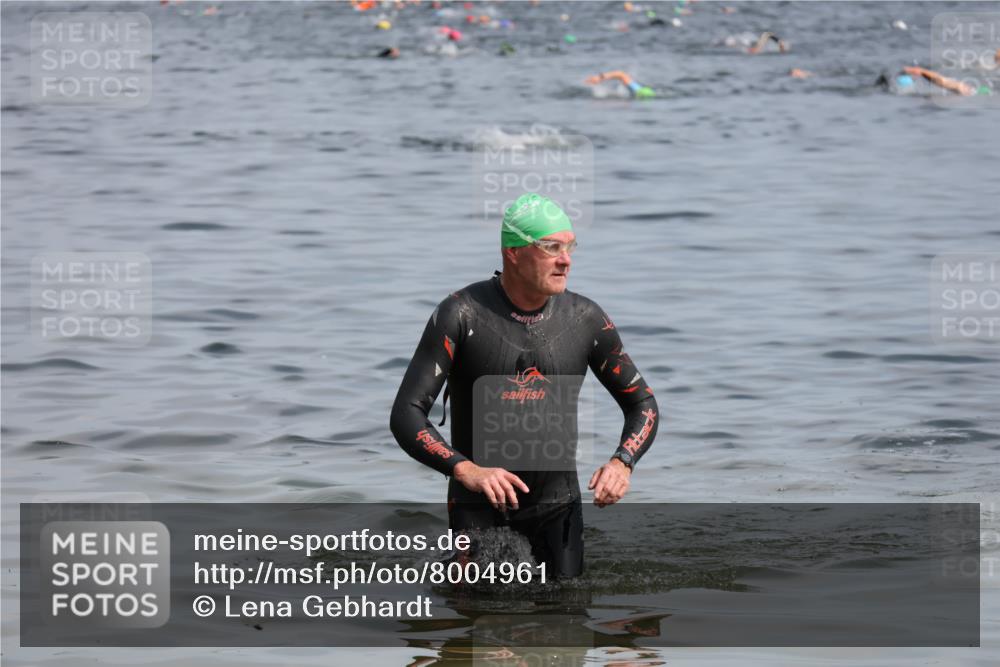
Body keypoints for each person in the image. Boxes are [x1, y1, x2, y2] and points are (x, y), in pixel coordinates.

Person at [390, 193, 659, 578]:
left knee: (564, 621)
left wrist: (623, 462)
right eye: (551, 247)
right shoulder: (461, 314)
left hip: (558, 507)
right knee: (477, 626)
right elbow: (406, 414)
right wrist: (465, 469)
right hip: (478, 507)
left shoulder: (585, 319)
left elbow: (643, 404)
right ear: (513, 252)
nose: (565, 259)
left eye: (569, 246)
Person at [585, 71, 655, 99]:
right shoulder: (636, 89)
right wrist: (600, 77)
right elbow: (620, 74)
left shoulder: (636, 90)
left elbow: (621, 74)